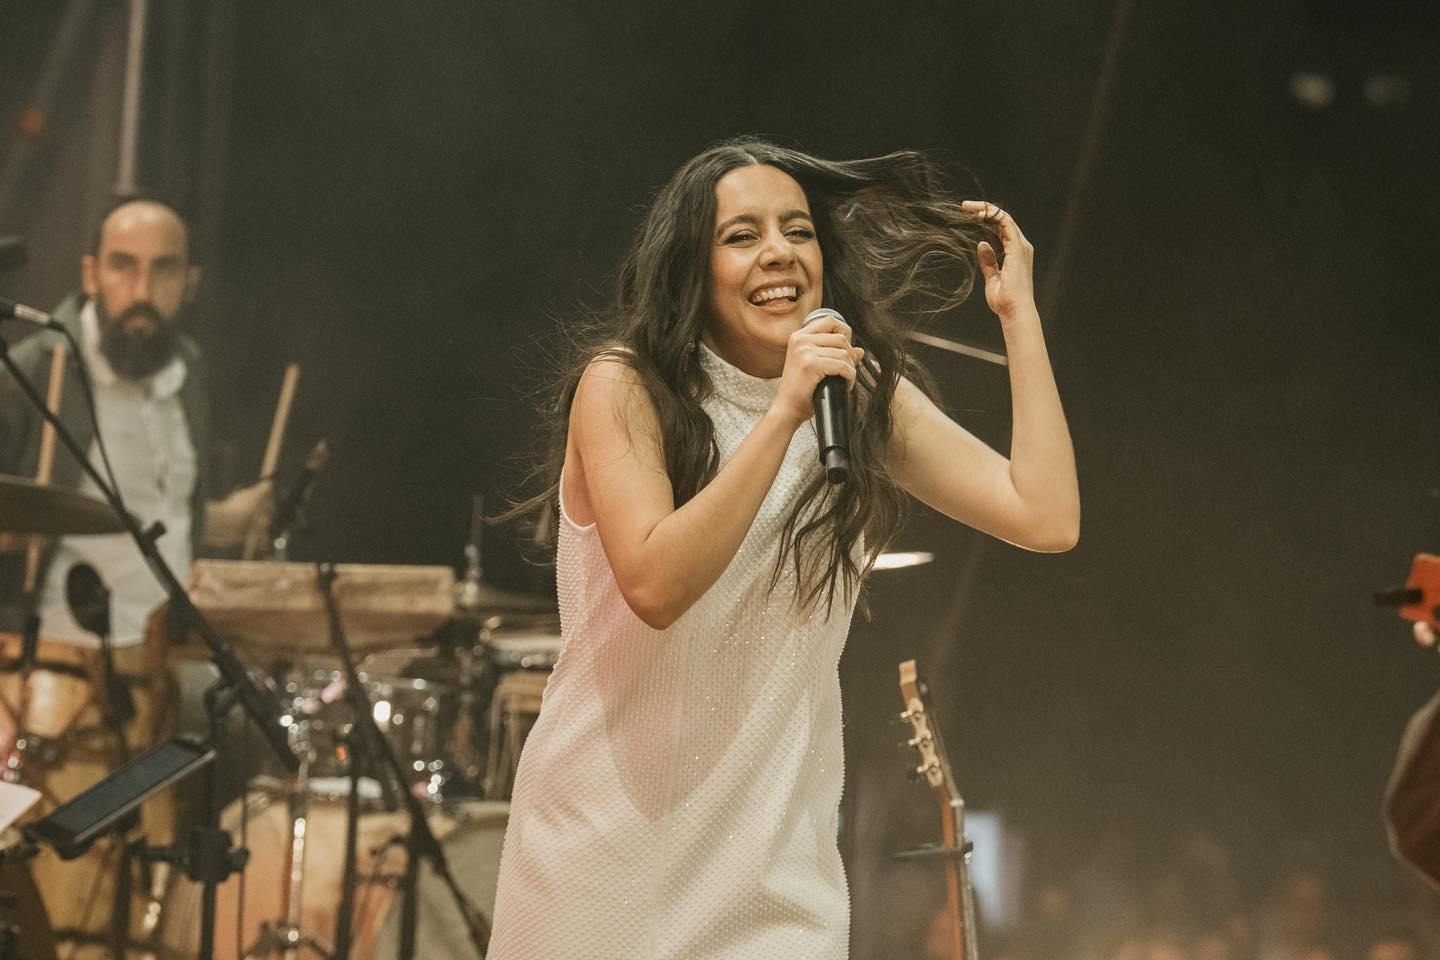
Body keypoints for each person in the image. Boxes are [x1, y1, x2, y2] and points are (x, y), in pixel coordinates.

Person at [488, 139, 1080, 959]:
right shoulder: (623, 388)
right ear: (693, 265)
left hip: (774, 877)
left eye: (797, 231)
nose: (779, 253)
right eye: (742, 235)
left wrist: (1020, 318)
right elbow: (655, 586)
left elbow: (1044, 516)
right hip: (606, 859)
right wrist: (782, 417)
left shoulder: (857, 393)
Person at [0, 196, 270, 949]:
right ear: (91, 274)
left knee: (146, 922)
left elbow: (147, 507)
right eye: (123, 266)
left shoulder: (188, 376)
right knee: (55, 918)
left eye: (162, 269)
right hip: (45, 678)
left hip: (158, 675)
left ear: (192, 281)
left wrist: (228, 519)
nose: (140, 289)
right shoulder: (29, 372)